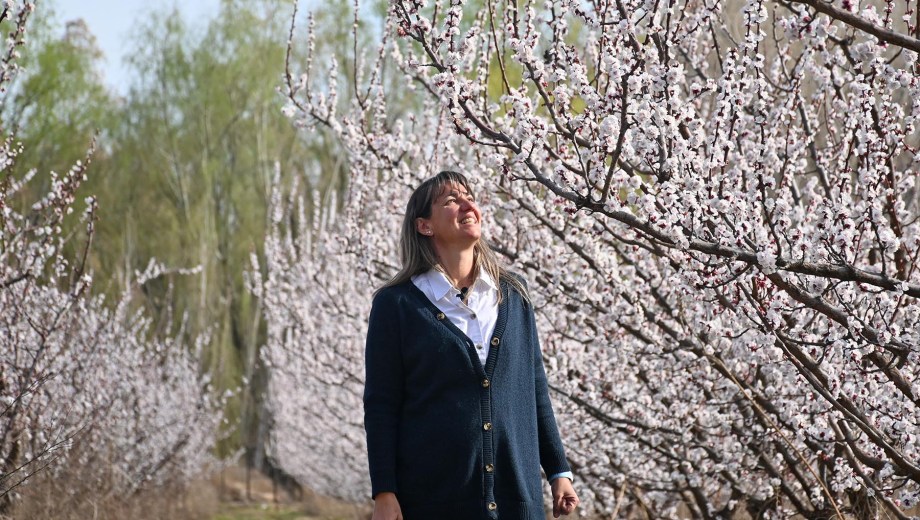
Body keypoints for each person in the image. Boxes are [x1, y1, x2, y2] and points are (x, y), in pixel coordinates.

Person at [363, 170, 579, 520]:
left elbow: (534, 387)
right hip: (434, 500)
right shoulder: (397, 305)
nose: (467, 204)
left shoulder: (513, 295)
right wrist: (384, 491)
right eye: (450, 200)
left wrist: (559, 471)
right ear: (424, 226)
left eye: (469, 197)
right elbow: (381, 404)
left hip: (516, 498)